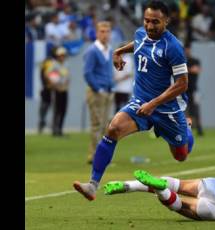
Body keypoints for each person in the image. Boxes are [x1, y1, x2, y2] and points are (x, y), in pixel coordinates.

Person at [73, 0, 195, 201]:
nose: (149, 26)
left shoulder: (173, 47)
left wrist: (153, 104)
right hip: (140, 102)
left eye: (155, 22)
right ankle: (92, 185)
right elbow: (139, 43)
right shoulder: (140, 33)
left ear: (166, 21)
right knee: (113, 129)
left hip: (167, 110)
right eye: (146, 21)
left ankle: (186, 129)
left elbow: (182, 84)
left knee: (180, 156)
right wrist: (118, 51)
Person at [83, 21, 115, 164]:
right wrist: (99, 89)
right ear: (97, 33)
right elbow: (87, 73)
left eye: (107, 31)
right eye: (102, 31)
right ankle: (93, 155)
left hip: (107, 91)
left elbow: (108, 72)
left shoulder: (109, 49)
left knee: (105, 126)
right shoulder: (92, 50)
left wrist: (111, 86)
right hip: (97, 92)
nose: (105, 34)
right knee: (97, 124)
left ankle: (101, 155)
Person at [45, 46, 70, 136]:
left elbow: (68, 77)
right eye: (60, 55)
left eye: (63, 55)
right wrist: (55, 85)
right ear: (57, 56)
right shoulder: (54, 64)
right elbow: (47, 75)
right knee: (57, 110)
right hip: (57, 90)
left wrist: (66, 85)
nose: (62, 57)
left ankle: (60, 129)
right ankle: (55, 130)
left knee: (63, 110)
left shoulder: (66, 65)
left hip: (64, 90)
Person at [185, 45, 204, 136]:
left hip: (194, 90)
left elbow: (197, 70)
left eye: (188, 49)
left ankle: (199, 129)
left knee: (196, 110)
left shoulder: (194, 60)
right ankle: (188, 129)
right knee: (185, 111)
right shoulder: (181, 61)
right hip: (183, 90)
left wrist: (185, 69)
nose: (187, 51)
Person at [38, 48, 56, 134]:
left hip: (56, 88)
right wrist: (45, 85)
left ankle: (54, 126)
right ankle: (41, 123)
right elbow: (42, 73)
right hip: (46, 88)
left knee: (56, 108)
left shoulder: (57, 62)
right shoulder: (47, 61)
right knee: (44, 107)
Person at [113, 44, 134, 113]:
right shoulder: (117, 58)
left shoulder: (128, 59)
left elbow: (129, 74)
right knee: (117, 107)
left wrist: (118, 79)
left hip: (125, 89)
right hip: (117, 88)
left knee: (124, 109)